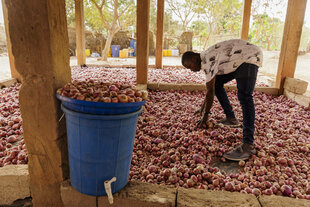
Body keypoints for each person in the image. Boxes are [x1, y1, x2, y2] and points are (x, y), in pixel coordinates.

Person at [181, 39, 263, 161]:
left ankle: (248, 144)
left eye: (189, 66)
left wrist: (205, 116)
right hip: (239, 60)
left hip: (249, 57)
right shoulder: (205, 59)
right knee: (217, 84)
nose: (191, 70)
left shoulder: (209, 60)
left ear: (194, 59)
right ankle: (231, 118)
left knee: (245, 97)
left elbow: (209, 91)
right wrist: (202, 108)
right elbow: (211, 88)